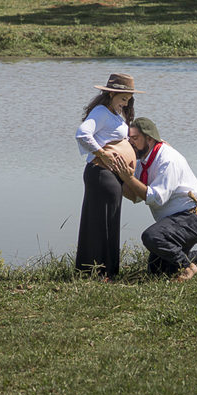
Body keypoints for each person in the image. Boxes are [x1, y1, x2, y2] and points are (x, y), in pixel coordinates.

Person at [109, 117, 197, 282]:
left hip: (193, 218)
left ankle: (188, 267)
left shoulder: (168, 160)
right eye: (129, 138)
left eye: (135, 138)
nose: (131, 143)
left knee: (152, 237)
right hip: (175, 222)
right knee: (158, 272)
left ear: (149, 139)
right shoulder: (142, 162)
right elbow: (135, 196)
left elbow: (156, 199)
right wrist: (116, 176)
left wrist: (129, 179)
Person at [74, 73, 140, 280]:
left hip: (110, 176)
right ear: (111, 93)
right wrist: (102, 153)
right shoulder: (101, 112)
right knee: (99, 222)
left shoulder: (113, 113)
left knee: (108, 221)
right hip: (101, 174)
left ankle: (106, 271)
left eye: (128, 99)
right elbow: (83, 133)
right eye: (123, 98)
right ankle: (97, 272)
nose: (125, 102)